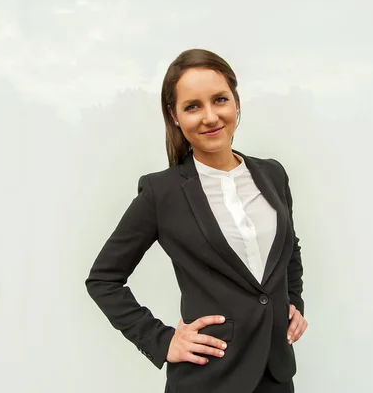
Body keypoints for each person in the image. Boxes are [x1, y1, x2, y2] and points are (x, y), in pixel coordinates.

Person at [85, 48, 308, 393]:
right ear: (174, 116)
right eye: (192, 106)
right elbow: (103, 279)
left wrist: (293, 301)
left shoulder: (272, 174)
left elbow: (288, 247)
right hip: (207, 379)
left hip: (276, 375)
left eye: (219, 100)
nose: (209, 117)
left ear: (236, 102)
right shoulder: (162, 193)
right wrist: (162, 341)